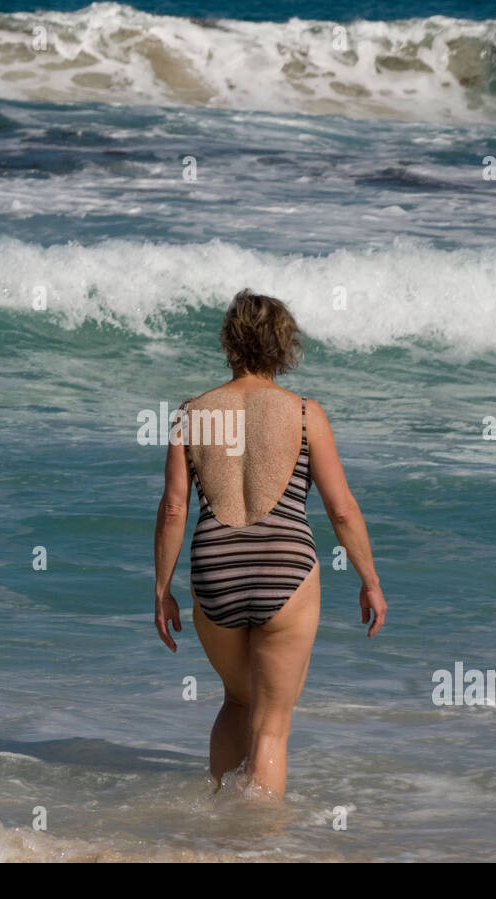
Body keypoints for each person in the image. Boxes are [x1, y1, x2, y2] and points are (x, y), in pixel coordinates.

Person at [153, 289, 387, 799]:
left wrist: (162, 590)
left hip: (214, 573)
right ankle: (261, 845)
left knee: (237, 701)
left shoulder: (191, 414)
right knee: (271, 724)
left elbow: (174, 508)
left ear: (229, 342)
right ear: (284, 345)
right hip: (286, 572)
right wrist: (370, 582)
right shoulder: (305, 414)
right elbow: (341, 508)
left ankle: (219, 825)